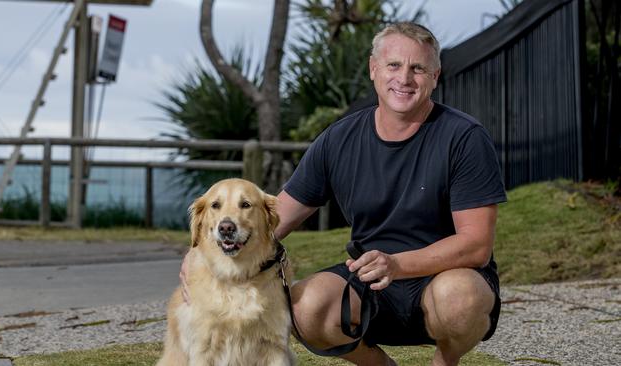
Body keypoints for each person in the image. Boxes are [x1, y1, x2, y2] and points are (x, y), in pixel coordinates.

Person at [181, 21, 506, 366]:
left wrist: (397, 264)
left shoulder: (464, 137)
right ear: (373, 69)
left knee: (461, 298)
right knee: (304, 307)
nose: (404, 78)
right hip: (369, 280)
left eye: (418, 68)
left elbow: (476, 244)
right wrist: (203, 252)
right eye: (394, 65)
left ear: (435, 76)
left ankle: (445, 361)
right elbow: (273, 219)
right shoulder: (339, 139)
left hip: (443, 279)